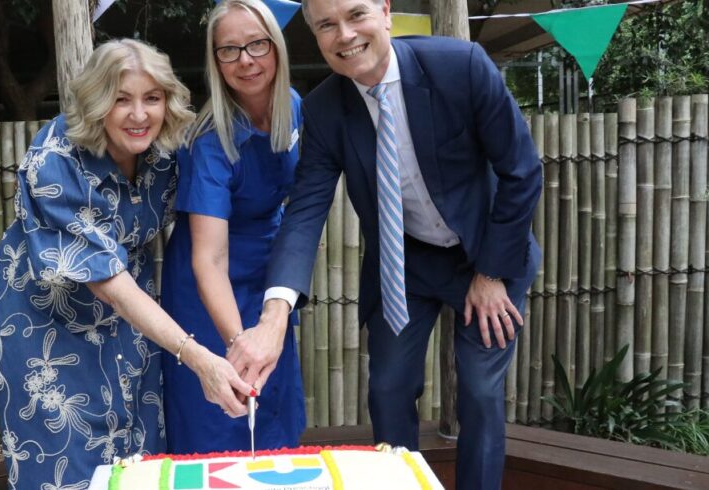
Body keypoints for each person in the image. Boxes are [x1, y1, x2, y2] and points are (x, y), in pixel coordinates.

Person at [227, 1, 542, 488]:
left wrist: (492, 274)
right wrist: (274, 313)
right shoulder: (326, 107)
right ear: (314, 35)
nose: (345, 34)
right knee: (389, 388)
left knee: (479, 390)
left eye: (356, 16)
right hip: (406, 265)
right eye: (327, 25)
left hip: (488, 256)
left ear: (386, 12)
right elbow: (306, 209)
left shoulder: (462, 67)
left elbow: (521, 172)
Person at [0, 39, 254, 489]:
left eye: (152, 98)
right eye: (121, 99)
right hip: (51, 340)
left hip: (132, 335)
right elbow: (107, 281)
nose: (139, 115)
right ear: (96, 103)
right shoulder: (54, 161)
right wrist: (197, 357)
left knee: (138, 469)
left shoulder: (164, 157)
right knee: (67, 468)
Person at [161, 0, 306, 454]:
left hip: (268, 280)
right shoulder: (211, 141)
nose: (246, 60)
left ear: (276, 47)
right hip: (208, 289)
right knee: (220, 413)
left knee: (274, 408)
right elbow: (210, 258)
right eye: (229, 50)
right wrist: (239, 342)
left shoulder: (295, 107)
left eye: (256, 44)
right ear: (216, 61)